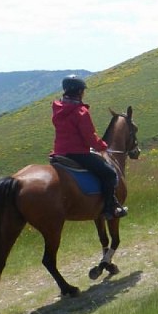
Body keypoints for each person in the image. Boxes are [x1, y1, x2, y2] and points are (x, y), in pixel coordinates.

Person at [51, 75, 127, 220]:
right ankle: (110, 208)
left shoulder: (57, 108)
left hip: (60, 153)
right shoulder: (81, 111)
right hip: (78, 153)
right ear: (80, 91)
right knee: (109, 173)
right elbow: (89, 136)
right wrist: (102, 146)